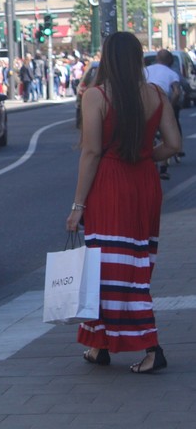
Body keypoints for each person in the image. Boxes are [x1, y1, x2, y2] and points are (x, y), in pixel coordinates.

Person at [66, 32, 182, 374]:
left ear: (107, 58)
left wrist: (77, 206)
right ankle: (99, 346)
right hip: (144, 184)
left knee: (112, 271)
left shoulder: (96, 96)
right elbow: (174, 144)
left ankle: (151, 347)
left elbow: (91, 152)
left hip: (110, 186)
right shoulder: (156, 94)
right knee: (134, 267)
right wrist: (146, 156)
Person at [145, 49, 183, 179]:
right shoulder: (172, 73)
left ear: (157, 58)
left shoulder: (146, 70)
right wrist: (170, 106)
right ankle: (163, 167)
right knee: (167, 136)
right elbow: (177, 92)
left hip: (144, 102)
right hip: (161, 101)